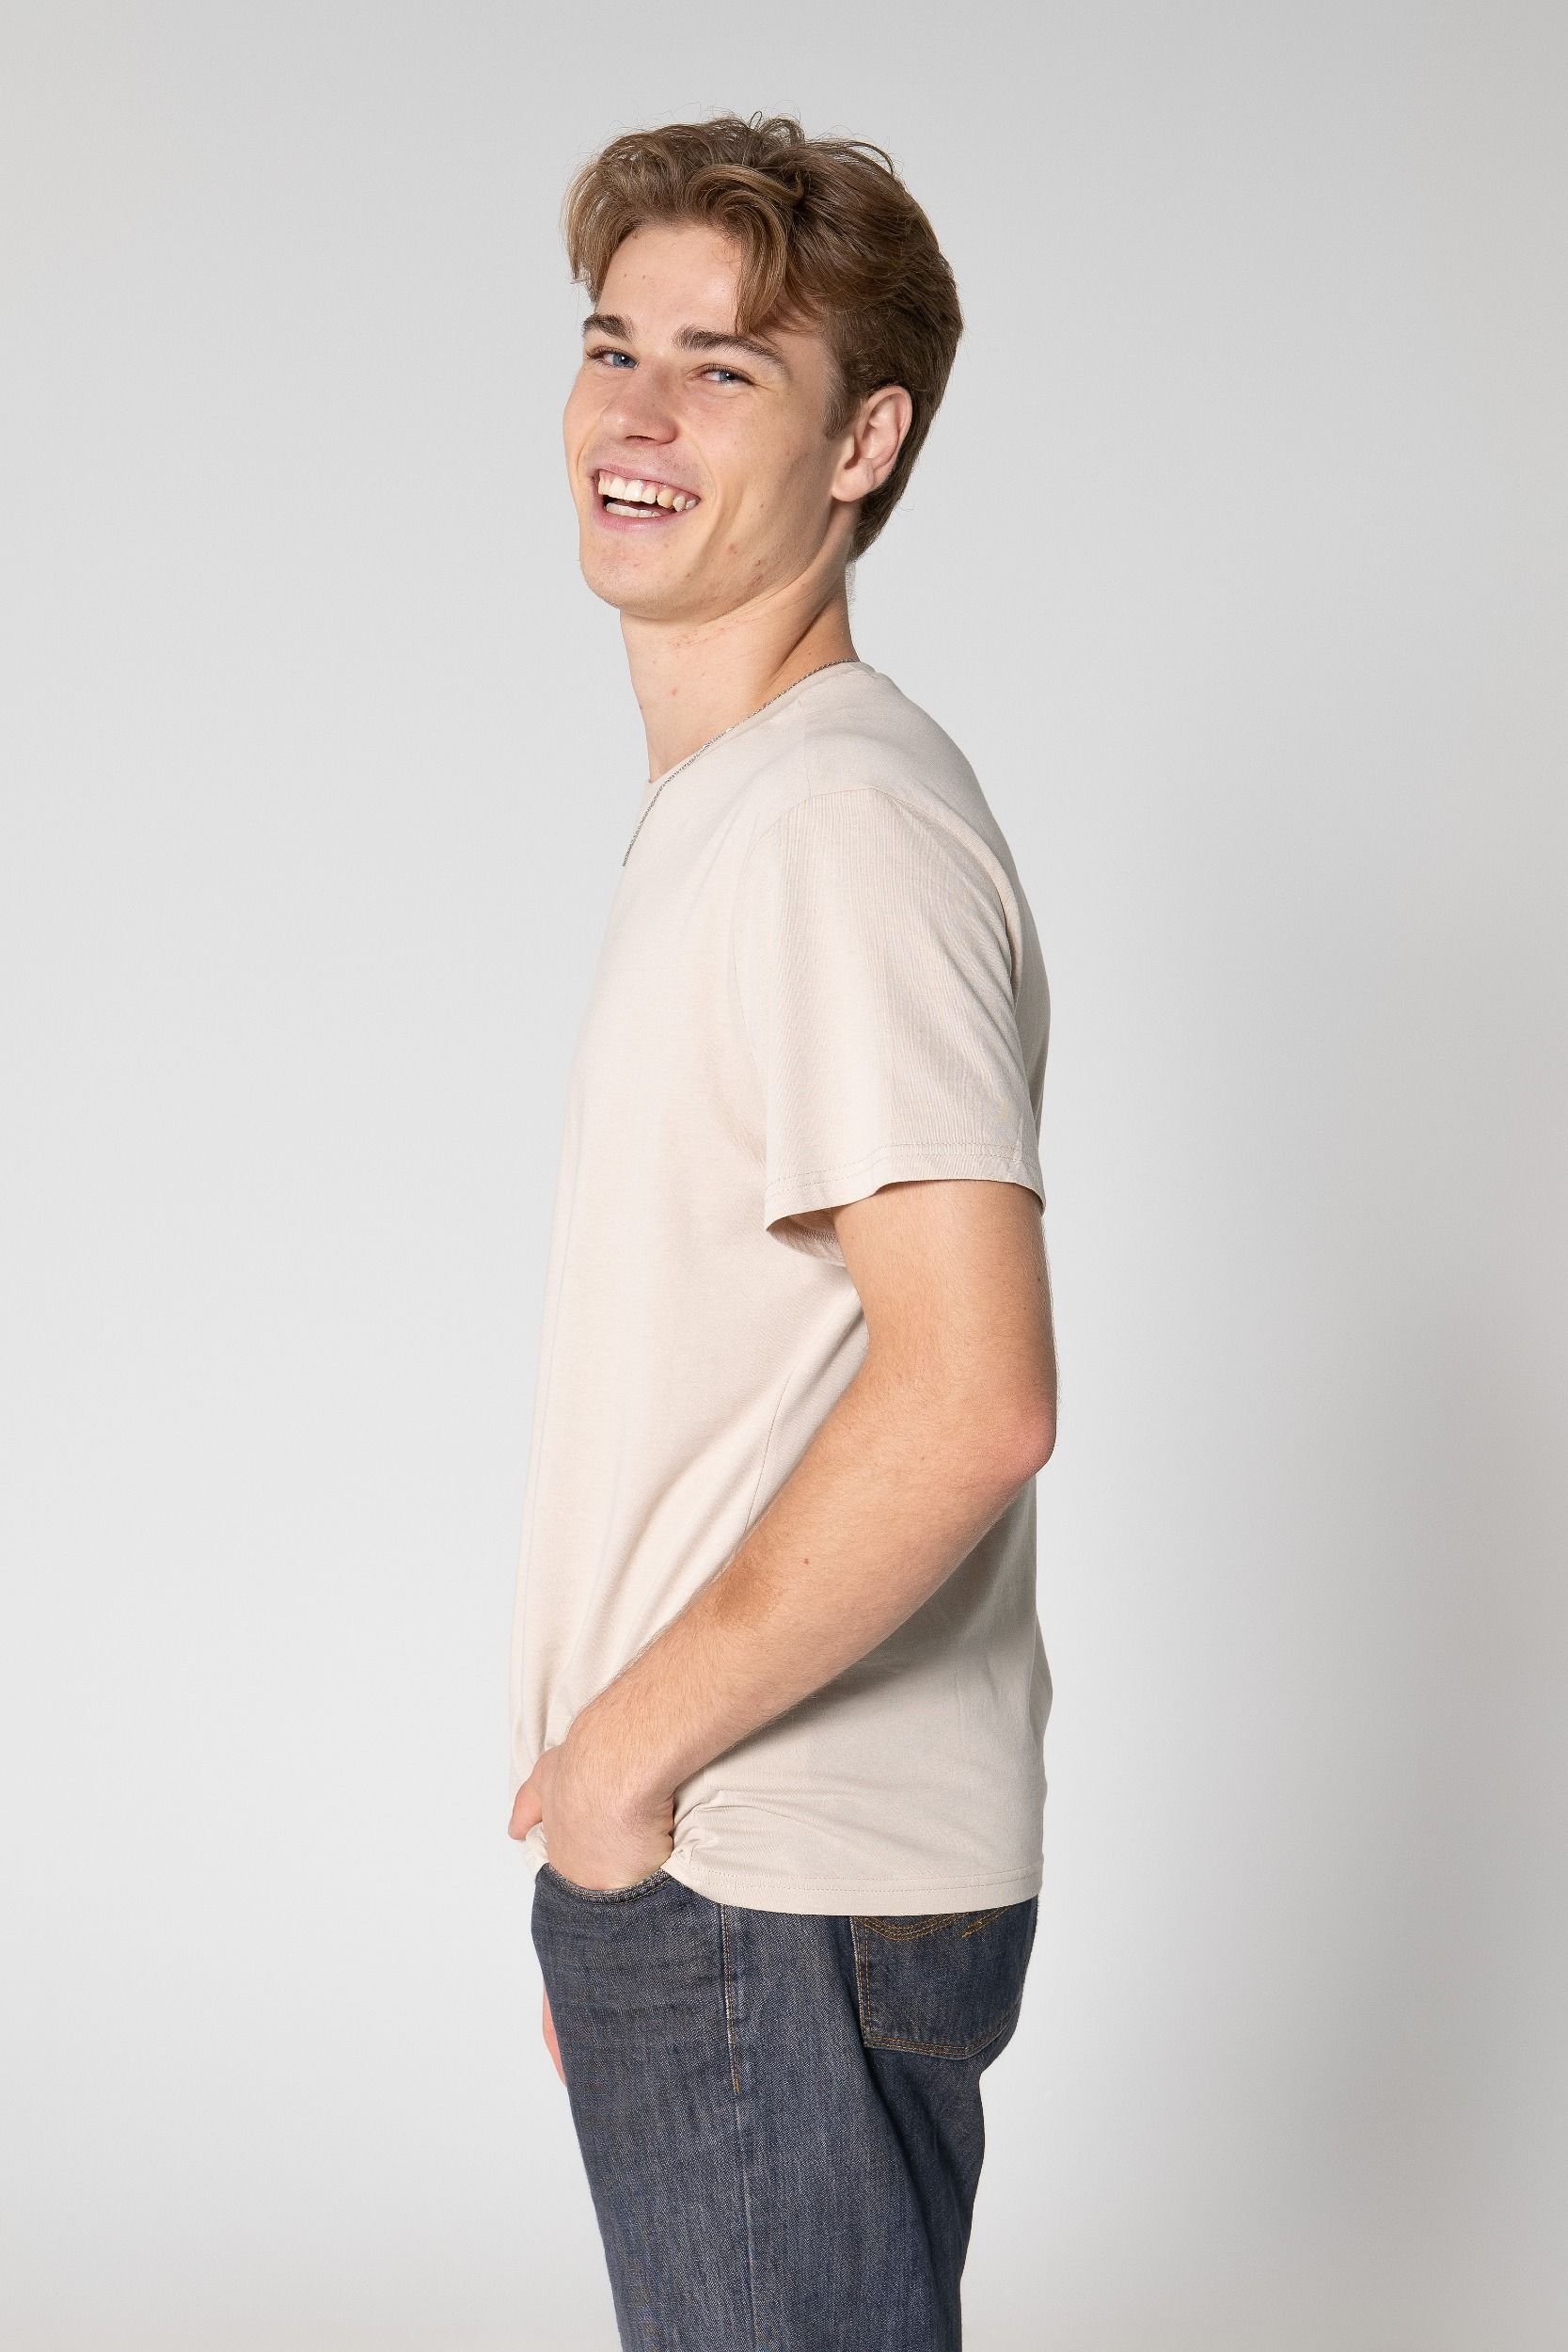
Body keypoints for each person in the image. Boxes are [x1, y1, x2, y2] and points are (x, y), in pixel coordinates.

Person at [506, 112, 1059, 2352]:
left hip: (772, 1872)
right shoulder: (745, 810)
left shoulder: (834, 822)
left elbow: (975, 1392)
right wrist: (608, 1841)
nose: (639, 414)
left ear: (864, 442)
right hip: (730, 1878)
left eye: (726, 368)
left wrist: (623, 1775)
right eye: (613, 346)